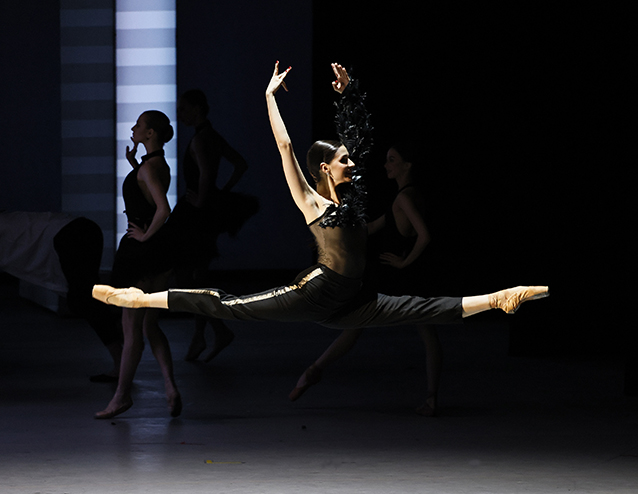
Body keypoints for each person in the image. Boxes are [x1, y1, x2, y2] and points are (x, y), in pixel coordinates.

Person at [92, 64, 549, 410]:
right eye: (345, 161)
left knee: (424, 308)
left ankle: (499, 299)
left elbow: (361, 141)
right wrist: (270, 98)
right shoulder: (314, 202)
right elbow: (286, 148)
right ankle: (138, 299)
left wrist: (348, 94)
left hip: (353, 297)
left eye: (351, 160)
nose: (354, 164)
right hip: (317, 292)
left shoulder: (354, 200)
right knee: (228, 304)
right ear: (325, 170)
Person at [289, 142, 446, 416]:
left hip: (402, 277)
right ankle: (431, 398)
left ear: (407, 166)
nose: (387, 165)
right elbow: (369, 229)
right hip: (409, 276)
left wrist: (403, 262)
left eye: (392, 160)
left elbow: (425, 235)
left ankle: (314, 370)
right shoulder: (408, 195)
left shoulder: (404, 198)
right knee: (424, 333)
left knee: (359, 325)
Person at [94, 110, 181, 420]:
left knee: (131, 328)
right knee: (149, 326)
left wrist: (143, 237)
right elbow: (149, 193)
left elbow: (163, 208)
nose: (133, 128)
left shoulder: (149, 169)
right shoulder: (155, 165)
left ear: (150, 134)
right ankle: (170, 387)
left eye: (139, 125)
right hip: (158, 256)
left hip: (141, 256)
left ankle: (121, 397)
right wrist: (135, 166)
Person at [171, 89, 255, 363]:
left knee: (191, 279)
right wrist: (221, 193)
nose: (179, 114)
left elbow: (206, 173)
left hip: (196, 215)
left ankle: (213, 333)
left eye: (183, 109)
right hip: (205, 213)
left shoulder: (199, 139)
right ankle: (207, 334)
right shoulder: (212, 136)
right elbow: (240, 164)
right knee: (197, 278)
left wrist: (202, 201)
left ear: (196, 109)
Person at [0, 211, 123, 380]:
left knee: (85, 301)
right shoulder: (10, 222)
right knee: (84, 301)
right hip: (80, 229)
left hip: (72, 233)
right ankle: (121, 340)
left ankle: (121, 356)